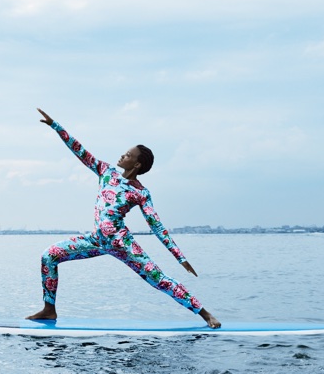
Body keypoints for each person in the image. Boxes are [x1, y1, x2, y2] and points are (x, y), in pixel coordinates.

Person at [27, 108, 221, 328]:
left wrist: (180, 258)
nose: (122, 155)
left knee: (158, 279)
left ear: (136, 165)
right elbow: (79, 150)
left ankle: (204, 313)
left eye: (128, 155)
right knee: (49, 256)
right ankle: (49, 309)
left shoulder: (141, 192)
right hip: (96, 241)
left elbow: (157, 227)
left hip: (123, 244)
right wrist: (55, 126)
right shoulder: (106, 171)